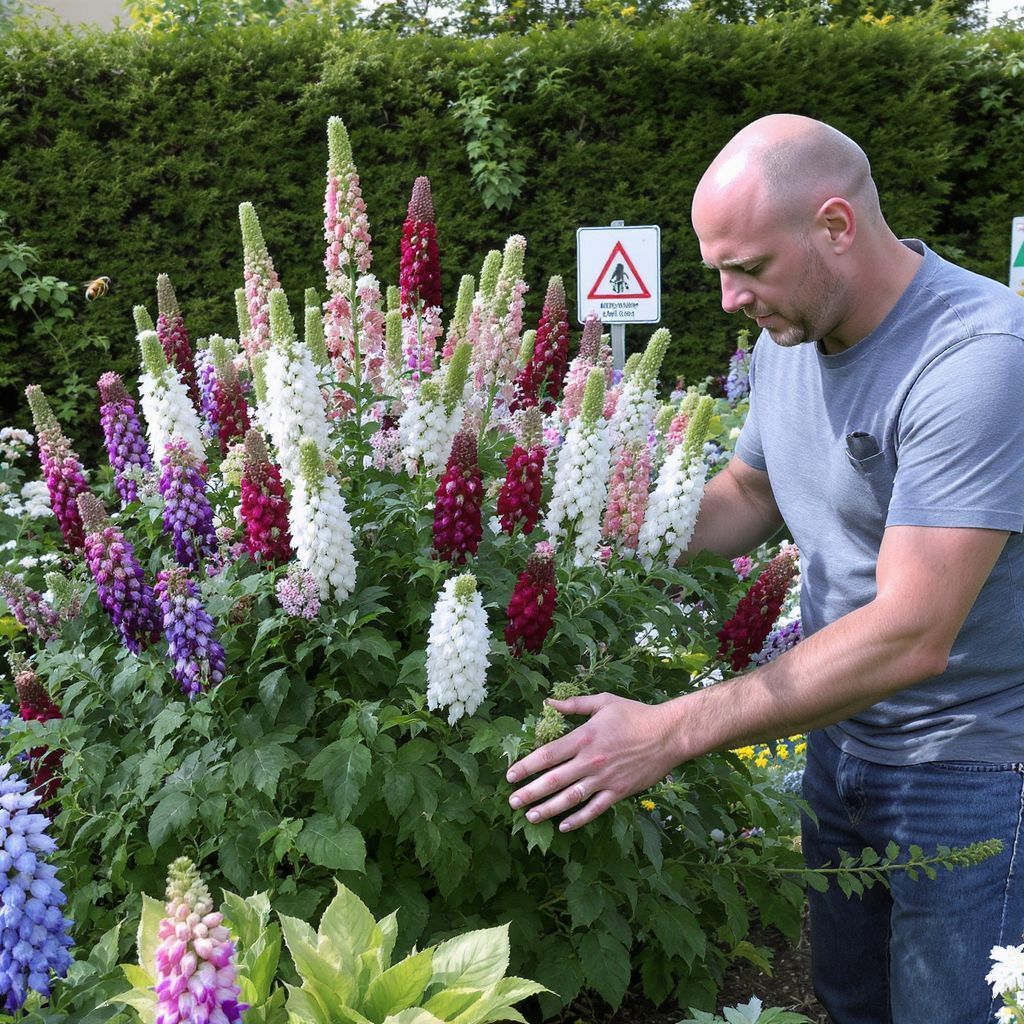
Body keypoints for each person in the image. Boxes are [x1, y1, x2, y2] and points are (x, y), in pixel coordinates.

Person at [506, 113, 1024, 1023]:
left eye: (748, 269)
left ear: (835, 226)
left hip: (972, 768)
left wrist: (671, 730)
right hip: (843, 740)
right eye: (719, 272)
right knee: (850, 1001)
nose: (729, 300)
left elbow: (912, 633)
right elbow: (748, 491)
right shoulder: (795, 335)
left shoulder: (978, 360)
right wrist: (584, 525)